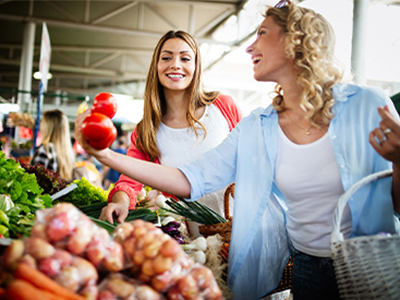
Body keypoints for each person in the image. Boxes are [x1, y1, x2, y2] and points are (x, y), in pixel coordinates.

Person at [75, 1, 400, 299]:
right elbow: (192, 179)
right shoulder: (260, 126)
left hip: (372, 267)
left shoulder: (367, 107)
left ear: (295, 40)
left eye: (261, 33)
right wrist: (106, 155)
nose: (249, 46)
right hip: (304, 268)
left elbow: (395, 204)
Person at [99, 30, 242, 234]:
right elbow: (128, 182)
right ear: (156, 67)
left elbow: (254, 156)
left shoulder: (223, 106)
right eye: (166, 58)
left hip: (243, 230)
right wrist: (120, 203)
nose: (175, 64)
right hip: (198, 245)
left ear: (196, 66)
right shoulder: (147, 130)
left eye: (185, 58)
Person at [31, 109, 75, 182]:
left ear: (48, 127)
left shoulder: (45, 150)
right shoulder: (68, 153)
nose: (40, 125)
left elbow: (34, 182)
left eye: (43, 122)